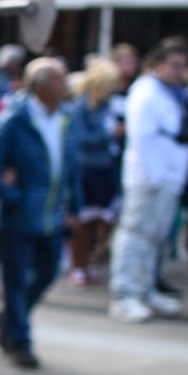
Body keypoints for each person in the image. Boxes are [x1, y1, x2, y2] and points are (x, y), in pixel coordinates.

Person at [0, 58, 78, 368]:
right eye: (59, 80)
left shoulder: (64, 117)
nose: (65, 87)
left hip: (51, 214)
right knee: (15, 280)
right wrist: (14, 197)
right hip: (19, 215)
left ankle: (11, 319)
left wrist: (73, 205)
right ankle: (20, 342)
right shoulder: (13, 118)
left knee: (48, 271)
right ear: (41, 86)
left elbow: (70, 165)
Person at [110, 37, 188, 323]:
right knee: (134, 235)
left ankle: (145, 290)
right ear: (158, 65)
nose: (180, 72)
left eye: (183, 66)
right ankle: (124, 295)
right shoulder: (146, 93)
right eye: (174, 65)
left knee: (155, 239)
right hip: (149, 179)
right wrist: (154, 177)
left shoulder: (170, 92)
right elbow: (142, 138)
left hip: (166, 179)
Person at [65, 58, 123, 286]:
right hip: (88, 170)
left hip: (105, 168)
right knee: (85, 222)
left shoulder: (106, 107)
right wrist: (110, 134)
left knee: (101, 221)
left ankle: (86, 266)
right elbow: (81, 140)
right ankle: (77, 266)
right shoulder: (82, 107)